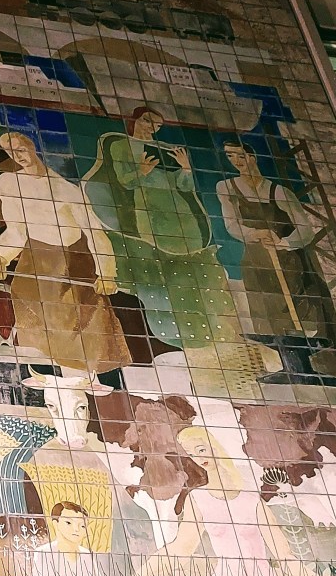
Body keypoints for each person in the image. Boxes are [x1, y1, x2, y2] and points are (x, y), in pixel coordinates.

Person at [85, 108, 277, 391]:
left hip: (179, 212)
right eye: (148, 121)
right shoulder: (120, 145)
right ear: (135, 120)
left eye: (157, 124)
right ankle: (172, 339)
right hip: (148, 209)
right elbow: (120, 181)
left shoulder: (163, 149)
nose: (152, 128)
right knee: (160, 265)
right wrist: (140, 171)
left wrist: (185, 169)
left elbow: (183, 186)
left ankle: (205, 339)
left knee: (190, 263)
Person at [0, 132, 132, 373]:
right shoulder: (8, 183)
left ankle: (85, 379)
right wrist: (0, 258)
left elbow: (94, 233)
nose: (17, 156)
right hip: (35, 262)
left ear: (32, 147)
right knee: (33, 315)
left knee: (81, 323)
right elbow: (16, 230)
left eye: (20, 149)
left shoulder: (67, 191)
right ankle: (42, 375)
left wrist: (107, 274)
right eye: (10, 152)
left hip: (70, 264)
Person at [216, 139, 336, 338]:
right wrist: (256, 233)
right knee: (266, 310)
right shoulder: (226, 187)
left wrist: (282, 242)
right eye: (230, 156)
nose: (236, 160)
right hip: (258, 260)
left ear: (252, 157)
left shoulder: (279, 192)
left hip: (290, 260)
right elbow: (232, 225)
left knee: (310, 305)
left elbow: (305, 229)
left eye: (241, 155)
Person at [143, 426, 285, 576]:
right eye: (192, 454)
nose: (198, 458)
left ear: (215, 446)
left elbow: (284, 553)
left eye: (201, 450)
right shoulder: (198, 498)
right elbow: (182, 546)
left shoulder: (252, 498)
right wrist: (143, 573)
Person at [27, 502, 98, 576]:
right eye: (69, 523)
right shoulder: (43, 553)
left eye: (82, 526)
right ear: (55, 523)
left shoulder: (88, 555)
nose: (76, 529)